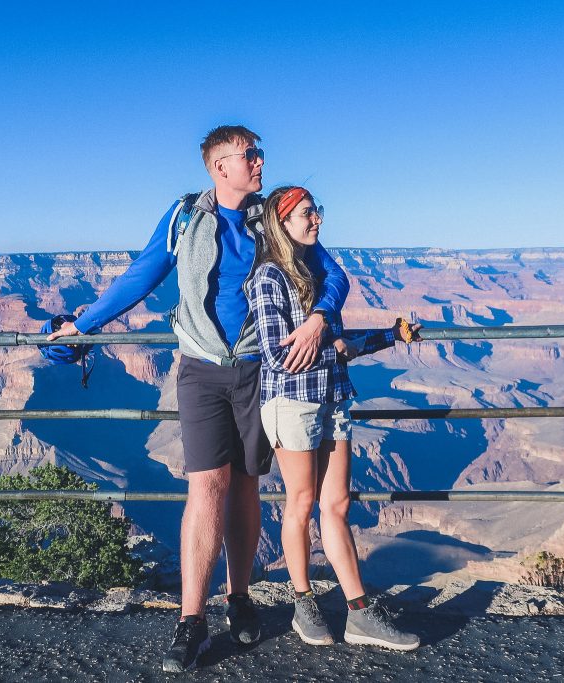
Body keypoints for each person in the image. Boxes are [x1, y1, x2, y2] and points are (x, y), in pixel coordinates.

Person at [45, 126, 350, 672]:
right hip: (201, 371)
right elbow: (140, 277)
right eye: (247, 155)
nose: (258, 162)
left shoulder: (272, 217)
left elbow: (332, 275)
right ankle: (191, 620)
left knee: (247, 483)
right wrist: (82, 328)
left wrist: (320, 318)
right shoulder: (185, 218)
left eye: (259, 153)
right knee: (207, 482)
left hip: (263, 369)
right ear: (217, 166)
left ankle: (239, 597)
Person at [249, 185, 423, 651]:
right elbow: (276, 354)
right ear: (283, 223)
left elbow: (337, 343)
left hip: (332, 398)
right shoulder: (268, 277)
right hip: (294, 402)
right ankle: (303, 603)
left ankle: (360, 613)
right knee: (301, 503)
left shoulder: (317, 272)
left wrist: (390, 335)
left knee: (337, 505)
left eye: (317, 212)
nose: (317, 220)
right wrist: (330, 342)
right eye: (308, 213)